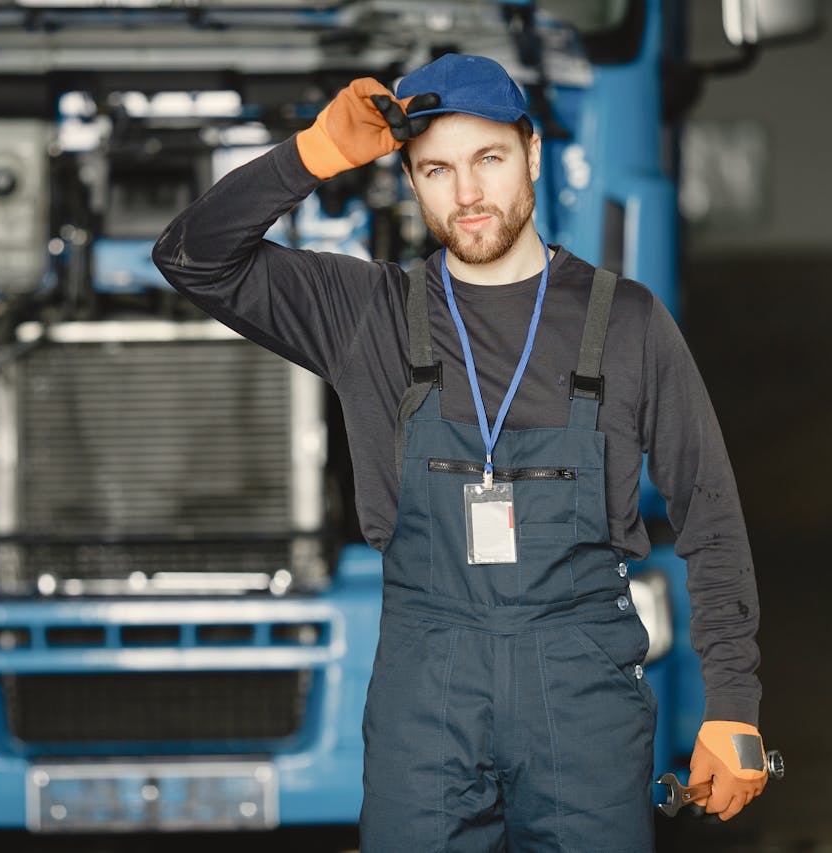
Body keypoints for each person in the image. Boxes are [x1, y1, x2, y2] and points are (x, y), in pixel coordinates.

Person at [153, 53, 766, 852]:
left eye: (489, 160)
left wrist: (733, 703)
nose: (467, 194)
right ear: (410, 178)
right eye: (436, 168)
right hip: (428, 688)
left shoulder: (628, 322)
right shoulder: (367, 313)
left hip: (582, 686)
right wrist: (307, 156)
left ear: (533, 153)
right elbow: (192, 257)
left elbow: (708, 511)